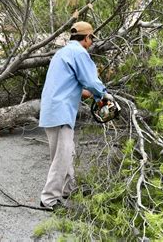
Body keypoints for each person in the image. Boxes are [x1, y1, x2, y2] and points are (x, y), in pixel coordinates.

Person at [39, 21, 113, 209]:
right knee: (62, 156)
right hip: (60, 110)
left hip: (52, 109)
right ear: (87, 37)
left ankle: (69, 188)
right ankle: (48, 199)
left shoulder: (61, 53)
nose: (91, 43)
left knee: (66, 151)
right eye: (91, 39)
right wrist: (104, 95)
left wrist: (88, 93)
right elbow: (91, 81)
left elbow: (68, 83)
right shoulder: (79, 52)